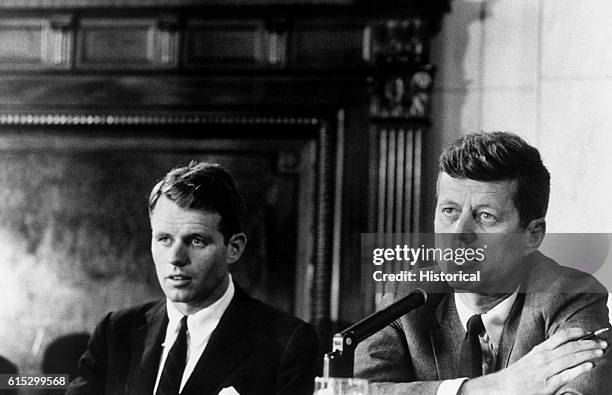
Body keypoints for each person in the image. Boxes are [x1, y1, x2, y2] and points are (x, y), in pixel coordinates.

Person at [355, 132, 611, 394]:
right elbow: (353, 391)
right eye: (449, 211)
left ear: (532, 235)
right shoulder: (408, 296)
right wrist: (490, 388)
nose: (459, 233)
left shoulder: (571, 295)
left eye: (485, 216)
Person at [68, 161, 318, 395]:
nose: (176, 257)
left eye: (196, 241)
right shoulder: (115, 332)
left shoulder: (287, 343)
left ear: (234, 248)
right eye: (164, 239)